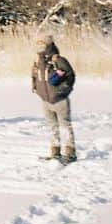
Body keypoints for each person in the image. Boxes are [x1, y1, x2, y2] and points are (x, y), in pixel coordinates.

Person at [31, 34, 77, 164]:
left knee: (65, 126)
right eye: (38, 44)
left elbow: (70, 75)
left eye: (42, 44)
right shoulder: (37, 61)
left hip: (60, 100)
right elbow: (34, 76)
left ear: (49, 45)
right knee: (52, 127)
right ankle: (55, 152)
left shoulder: (58, 59)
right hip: (45, 100)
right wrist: (35, 89)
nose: (39, 47)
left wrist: (63, 90)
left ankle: (70, 153)